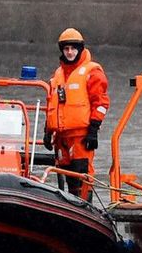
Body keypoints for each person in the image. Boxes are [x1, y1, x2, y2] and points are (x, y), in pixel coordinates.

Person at [46, 28, 110, 201]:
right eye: (66, 48)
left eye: (73, 48)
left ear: (80, 49)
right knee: (69, 176)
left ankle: (85, 207)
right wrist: (47, 131)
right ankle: (71, 206)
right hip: (61, 136)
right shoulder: (58, 74)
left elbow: (101, 103)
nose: (70, 52)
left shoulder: (92, 72)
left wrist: (93, 130)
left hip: (81, 135)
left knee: (82, 173)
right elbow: (52, 103)